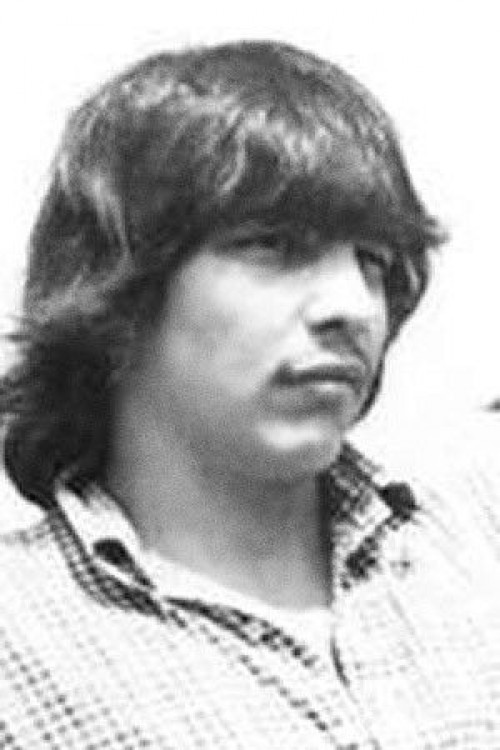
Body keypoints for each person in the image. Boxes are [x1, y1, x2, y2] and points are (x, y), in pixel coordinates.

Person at [0, 39, 498, 748]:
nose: (354, 305)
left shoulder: (474, 534)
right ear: (119, 288)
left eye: (374, 261)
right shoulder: (21, 642)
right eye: (274, 245)